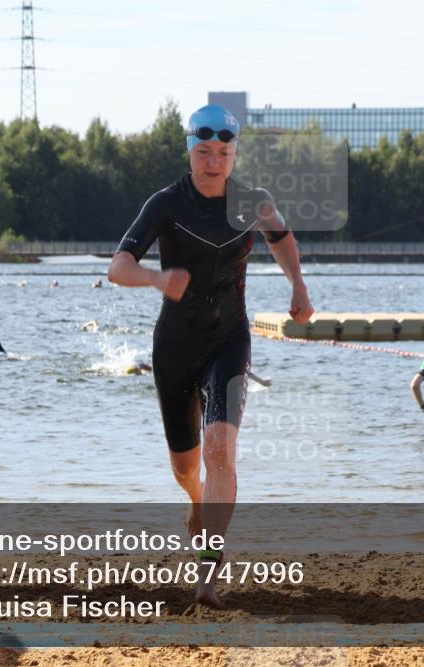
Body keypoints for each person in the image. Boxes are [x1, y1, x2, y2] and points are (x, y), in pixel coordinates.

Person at [107, 103, 313, 609]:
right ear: (190, 152)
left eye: (223, 152)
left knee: (221, 451)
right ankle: (196, 501)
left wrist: (298, 284)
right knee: (186, 468)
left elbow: (281, 237)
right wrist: (157, 278)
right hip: (174, 347)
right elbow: (118, 267)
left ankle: (207, 577)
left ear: (234, 154)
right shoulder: (165, 203)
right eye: (204, 152)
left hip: (229, 340)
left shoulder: (255, 202)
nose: (214, 162)